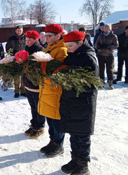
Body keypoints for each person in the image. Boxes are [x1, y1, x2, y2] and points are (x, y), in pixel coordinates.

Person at [60, 31, 98, 175]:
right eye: (66, 46)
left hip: (83, 103)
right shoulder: (71, 56)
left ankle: (83, 164)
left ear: (80, 43)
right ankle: (75, 159)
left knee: (82, 135)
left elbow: (90, 83)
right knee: (73, 133)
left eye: (70, 46)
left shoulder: (88, 58)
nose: (67, 49)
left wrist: (68, 80)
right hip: (70, 101)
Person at [38, 24, 67, 157]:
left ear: (58, 36)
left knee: (57, 119)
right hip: (47, 88)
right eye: (46, 36)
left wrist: (43, 65)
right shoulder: (49, 48)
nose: (46, 38)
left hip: (55, 89)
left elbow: (58, 70)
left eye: (49, 36)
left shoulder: (62, 50)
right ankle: (52, 141)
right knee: (49, 117)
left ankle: (58, 144)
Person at [22, 31, 45, 139]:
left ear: (36, 40)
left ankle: (40, 127)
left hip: (36, 86)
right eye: (26, 40)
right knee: (32, 107)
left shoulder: (40, 51)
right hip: (28, 84)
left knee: (38, 107)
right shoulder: (27, 49)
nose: (27, 42)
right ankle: (34, 125)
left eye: (30, 40)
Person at [96, 24, 118, 89]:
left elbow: (116, 45)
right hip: (101, 55)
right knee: (101, 69)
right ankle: (101, 83)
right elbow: (96, 44)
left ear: (110, 29)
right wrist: (98, 46)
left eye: (108, 29)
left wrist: (108, 46)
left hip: (109, 55)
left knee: (110, 69)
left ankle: (110, 84)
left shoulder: (113, 36)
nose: (106, 30)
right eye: (105, 29)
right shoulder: (100, 36)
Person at [6, 25, 26, 98]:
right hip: (15, 59)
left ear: (22, 30)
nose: (19, 31)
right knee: (16, 76)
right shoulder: (11, 38)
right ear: (15, 31)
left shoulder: (25, 38)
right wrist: (14, 55)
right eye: (18, 30)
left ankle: (23, 91)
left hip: (24, 60)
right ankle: (16, 91)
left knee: (24, 76)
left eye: (20, 30)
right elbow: (8, 48)